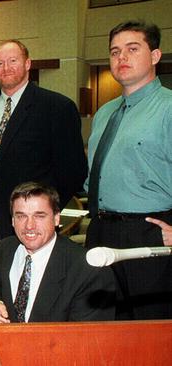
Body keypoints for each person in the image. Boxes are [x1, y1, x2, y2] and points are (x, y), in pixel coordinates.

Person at [85, 20, 172, 320]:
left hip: (148, 232)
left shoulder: (169, 108)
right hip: (99, 230)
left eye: (132, 49)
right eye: (115, 51)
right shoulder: (104, 113)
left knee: (148, 332)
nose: (121, 58)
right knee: (104, 325)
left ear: (156, 56)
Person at [0, 40, 87, 240]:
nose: (6, 68)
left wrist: (45, 210)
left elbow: (73, 171)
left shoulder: (57, 107)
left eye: (13, 60)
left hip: (35, 224)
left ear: (27, 64)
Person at [0, 182, 115, 324]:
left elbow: (86, 339)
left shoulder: (89, 271)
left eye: (39, 216)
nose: (29, 226)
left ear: (56, 218)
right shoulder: (4, 250)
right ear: (13, 220)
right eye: (21, 216)